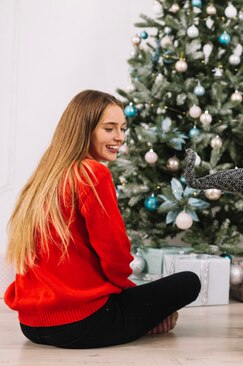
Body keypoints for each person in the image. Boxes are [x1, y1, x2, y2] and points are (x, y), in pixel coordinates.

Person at [4, 90, 201, 348]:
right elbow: (114, 253)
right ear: (85, 129)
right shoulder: (93, 174)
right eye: (109, 129)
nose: (119, 137)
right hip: (81, 324)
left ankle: (141, 319)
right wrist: (132, 294)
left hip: (30, 325)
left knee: (138, 295)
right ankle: (147, 323)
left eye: (122, 128)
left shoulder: (45, 177)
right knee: (188, 282)